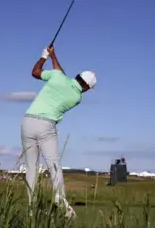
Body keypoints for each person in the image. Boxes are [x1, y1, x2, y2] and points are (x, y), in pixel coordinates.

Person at [21, 46, 97, 218]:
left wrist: (44, 57)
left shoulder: (57, 77)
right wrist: (53, 57)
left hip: (27, 121)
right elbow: (62, 76)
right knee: (54, 165)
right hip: (46, 126)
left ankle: (31, 210)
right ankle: (61, 203)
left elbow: (35, 72)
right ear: (86, 88)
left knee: (31, 168)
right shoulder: (77, 98)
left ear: (77, 76)